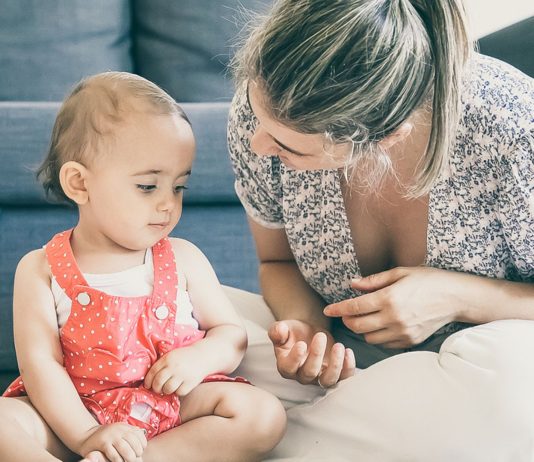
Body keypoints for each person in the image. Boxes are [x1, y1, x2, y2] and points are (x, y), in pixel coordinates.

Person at [226, 0, 534, 460]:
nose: (257, 143)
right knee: (178, 313)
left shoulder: (512, 130)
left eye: (290, 145)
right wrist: (309, 334)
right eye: (258, 120)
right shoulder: (262, 111)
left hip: (460, 377)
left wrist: (456, 297)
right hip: (349, 378)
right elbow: (277, 261)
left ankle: (247, 436)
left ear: (389, 136)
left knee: (511, 383)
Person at [0, 72, 286, 462]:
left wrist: (200, 358)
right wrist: (87, 435)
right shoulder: (40, 269)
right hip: (72, 417)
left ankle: (145, 458)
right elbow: (40, 365)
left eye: (179, 186)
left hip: (168, 410)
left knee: (263, 415)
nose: (168, 203)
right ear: (79, 184)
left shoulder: (183, 258)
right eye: (148, 186)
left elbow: (230, 333)